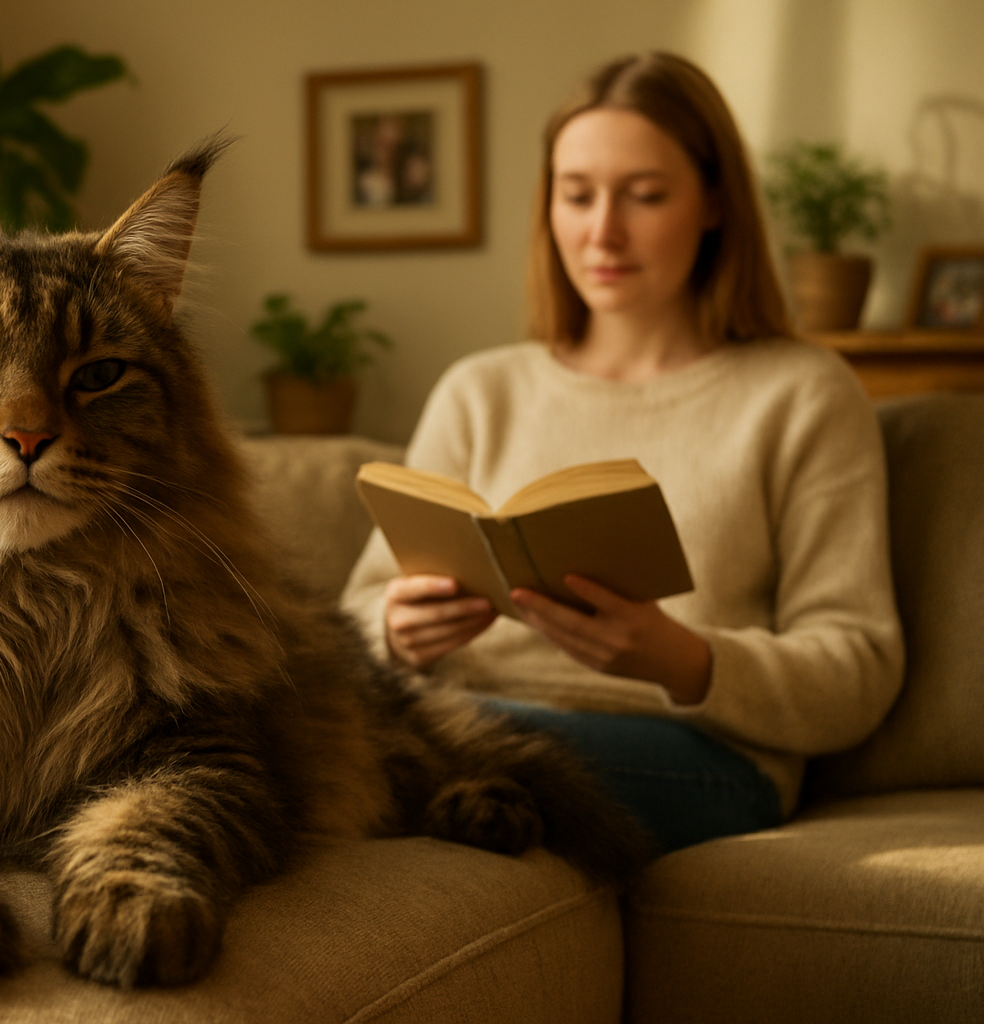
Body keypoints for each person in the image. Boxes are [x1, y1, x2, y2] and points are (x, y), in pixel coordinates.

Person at [341, 51, 904, 855]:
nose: (602, 231)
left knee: (366, 740)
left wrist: (684, 660)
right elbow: (354, 616)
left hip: (689, 757)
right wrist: (396, 627)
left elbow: (859, 667)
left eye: (644, 196)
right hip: (452, 716)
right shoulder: (481, 389)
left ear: (714, 203)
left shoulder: (803, 393)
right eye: (576, 196)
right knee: (320, 709)